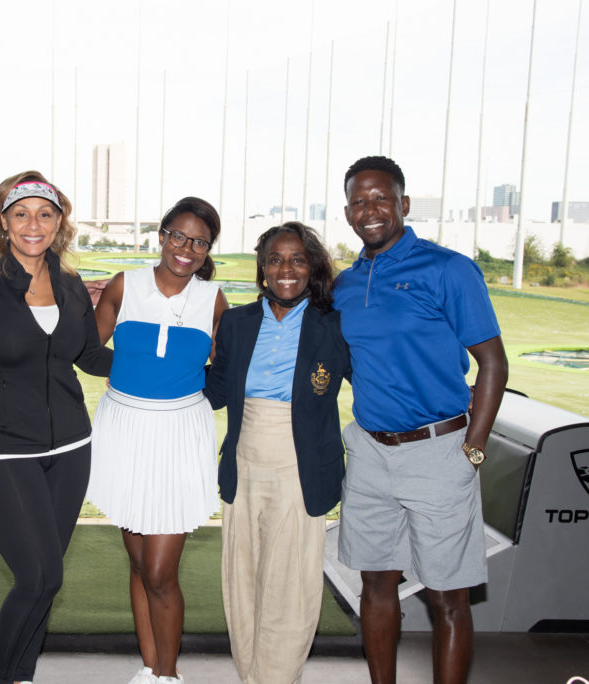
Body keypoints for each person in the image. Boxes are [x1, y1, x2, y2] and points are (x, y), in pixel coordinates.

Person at [334, 155, 508, 684]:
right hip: (368, 452)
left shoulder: (447, 269)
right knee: (376, 586)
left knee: (447, 597)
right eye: (359, 201)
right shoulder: (344, 284)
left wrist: (473, 451)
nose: (370, 210)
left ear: (403, 204)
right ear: (347, 212)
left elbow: (493, 362)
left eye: (381, 198)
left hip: (439, 450)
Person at [0, 171, 112, 684]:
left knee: (46, 581)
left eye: (45, 214)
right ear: (2, 222)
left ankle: (22, 677)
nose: (34, 223)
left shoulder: (70, 283)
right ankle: (2, 679)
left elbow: (90, 357)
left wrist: (168, 367)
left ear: (60, 223)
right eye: (21, 213)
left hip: (72, 447)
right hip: (2, 452)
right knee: (38, 576)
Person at [87, 197, 229, 684]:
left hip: (179, 436)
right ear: (162, 233)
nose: (185, 248)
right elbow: (88, 351)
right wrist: (128, 377)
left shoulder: (214, 300)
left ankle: (168, 677)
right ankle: (149, 670)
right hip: (124, 430)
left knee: (160, 572)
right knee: (139, 562)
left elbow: (225, 372)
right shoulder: (126, 285)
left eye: (199, 241)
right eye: (178, 235)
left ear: (209, 248)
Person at [204, 222, 351, 684]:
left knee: (290, 587)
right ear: (262, 268)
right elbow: (215, 388)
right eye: (274, 259)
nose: (285, 269)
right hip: (243, 464)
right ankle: (251, 676)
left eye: (297, 259)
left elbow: (377, 377)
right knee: (241, 581)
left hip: (302, 469)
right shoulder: (237, 322)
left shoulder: (335, 325)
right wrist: (146, 378)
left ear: (312, 267)